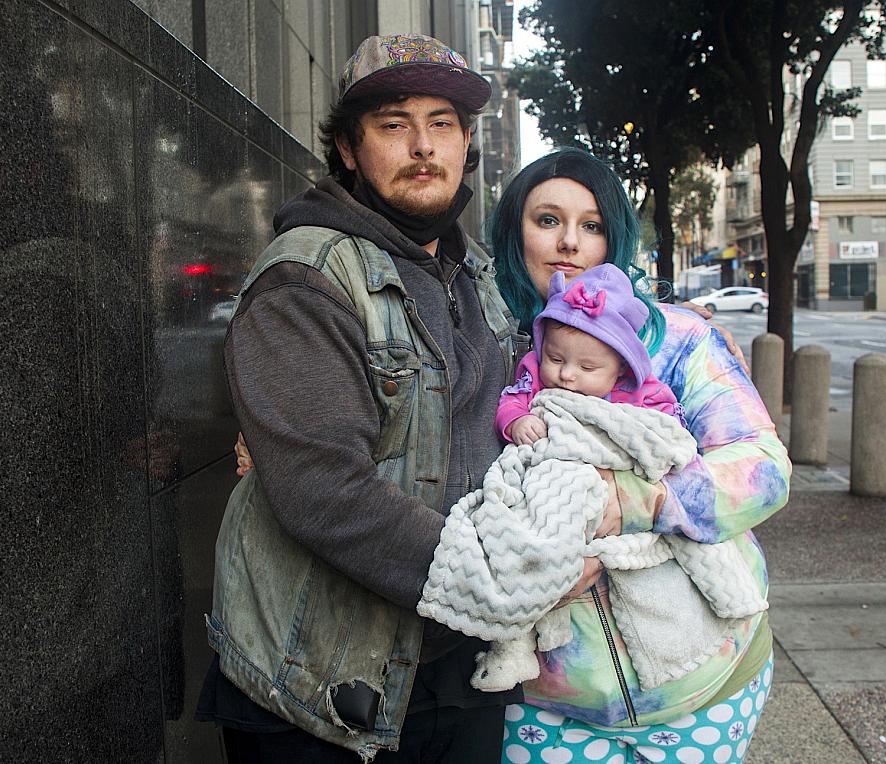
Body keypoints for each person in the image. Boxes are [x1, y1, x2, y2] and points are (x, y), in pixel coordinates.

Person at [197, 33, 527, 762]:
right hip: (323, 687)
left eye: (442, 123)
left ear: (466, 142)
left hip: (456, 669)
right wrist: (501, 578)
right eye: (393, 124)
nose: (422, 145)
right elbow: (326, 491)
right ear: (348, 149)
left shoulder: (472, 273)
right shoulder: (306, 277)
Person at [487, 148, 790, 763]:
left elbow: (762, 470)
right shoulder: (481, 341)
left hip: (707, 684)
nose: (570, 241)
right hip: (543, 704)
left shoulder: (678, 337)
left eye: (592, 225)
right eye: (548, 220)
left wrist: (628, 500)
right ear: (513, 230)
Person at [495, 262, 682, 447]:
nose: (566, 375)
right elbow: (510, 403)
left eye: (587, 367)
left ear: (622, 366)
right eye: (555, 358)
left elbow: (669, 427)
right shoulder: (535, 375)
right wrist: (516, 421)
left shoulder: (641, 392)